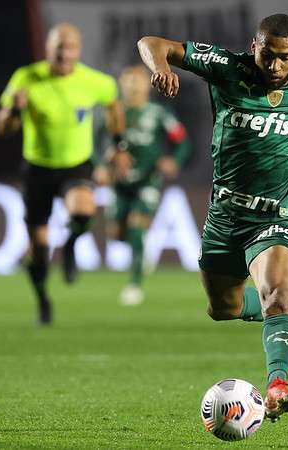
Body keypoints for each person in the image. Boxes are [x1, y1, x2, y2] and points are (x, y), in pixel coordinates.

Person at [137, 13, 288, 421]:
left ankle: (277, 384)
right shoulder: (226, 68)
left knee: (276, 296)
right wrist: (161, 66)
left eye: (285, 59)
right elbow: (151, 42)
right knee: (223, 308)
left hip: (274, 218)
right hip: (224, 217)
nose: (274, 67)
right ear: (254, 46)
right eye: (267, 55)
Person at [0, 23, 124, 325]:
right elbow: (2, 128)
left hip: (75, 164)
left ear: (78, 50)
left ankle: (69, 245)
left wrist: (119, 146)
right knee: (39, 250)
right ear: (48, 48)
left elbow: (114, 109)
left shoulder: (97, 82)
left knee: (83, 210)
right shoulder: (26, 78)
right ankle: (42, 297)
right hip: (37, 168)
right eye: (58, 48)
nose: (64, 54)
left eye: (70, 48)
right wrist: (14, 110)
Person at [93, 66, 191, 306]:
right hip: (120, 183)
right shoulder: (115, 113)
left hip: (148, 180)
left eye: (137, 83)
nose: (133, 88)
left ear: (147, 86)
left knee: (137, 228)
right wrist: (100, 165)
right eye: (129, 83)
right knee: (116, 234)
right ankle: (139, 252)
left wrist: (174, 160)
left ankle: (135, 284)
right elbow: (94, 141)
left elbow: (182, 141)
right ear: (121, 86)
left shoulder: (158, 113)